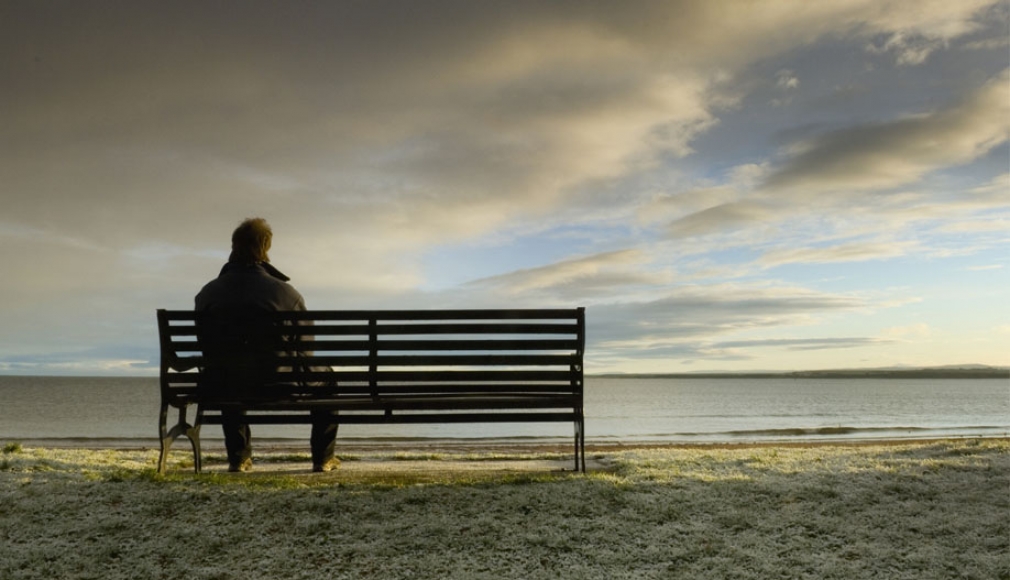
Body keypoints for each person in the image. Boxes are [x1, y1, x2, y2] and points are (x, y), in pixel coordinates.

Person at [195, 217, 339, 473]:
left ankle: (239, 458)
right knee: (327, 378)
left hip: (225, 384)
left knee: (229, 373)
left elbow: (207, 347)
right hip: (279, 383)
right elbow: (306, 351)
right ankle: (323, 458)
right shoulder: (286, 293)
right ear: (265, 248)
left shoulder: (207, 293)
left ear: (233, 246)